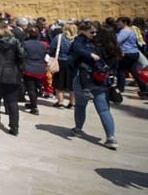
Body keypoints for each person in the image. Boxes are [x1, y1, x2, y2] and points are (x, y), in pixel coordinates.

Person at [70, 21, 118, 149]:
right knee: (104, 109)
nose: (94, 34)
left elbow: (75, 54)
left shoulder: (90, 46)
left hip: (84, 79)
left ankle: (78, 129)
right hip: (101, 80)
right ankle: (111, 137)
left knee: (80, 105)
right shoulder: (114, 49)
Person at [0, 21, 25, 136]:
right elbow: (22, 55)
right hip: (12, 73)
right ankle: (14, 127)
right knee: (12, 102)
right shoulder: (15, 41)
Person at [21, 26, 48, 115]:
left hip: (29, 68)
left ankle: (34, 106)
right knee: (36, 88)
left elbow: (22, 55)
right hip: (40, 68)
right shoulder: (43, 45)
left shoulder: (25, 44)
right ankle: (33, 103)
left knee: (30, 88)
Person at [50, 23, 76, 109]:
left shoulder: (59, 37)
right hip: (74, 62)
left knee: (59, 83)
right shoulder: (77, 39)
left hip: (61, 62)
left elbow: (52, 49)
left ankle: (60, 102)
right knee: (73, 84)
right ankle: (72, 103)